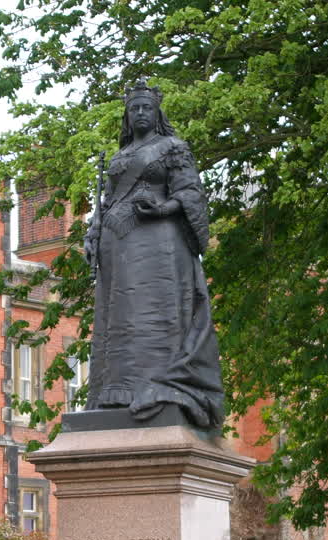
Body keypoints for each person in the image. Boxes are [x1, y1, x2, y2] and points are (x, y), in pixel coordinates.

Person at [82, 79, 224, 428]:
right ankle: (116, 391)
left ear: (156, 111)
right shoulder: (118, 156)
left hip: (159, 243)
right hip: (117, 244)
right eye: (134, 108)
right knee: (120, 314)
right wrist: (93, 232)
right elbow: (107, 200)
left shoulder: (173, 147)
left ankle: (159, 385)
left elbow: (191, 193)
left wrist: (163, 209)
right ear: (127, 117)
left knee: (153, 313)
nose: (141, 112)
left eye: (146, 107)